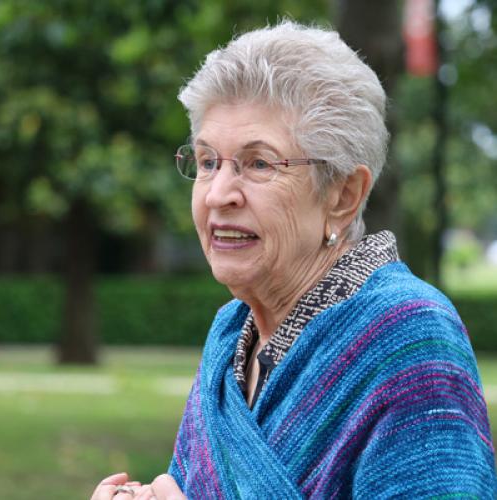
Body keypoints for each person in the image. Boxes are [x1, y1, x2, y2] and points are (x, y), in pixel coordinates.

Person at [91, 20, 497, 499]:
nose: (219, 194)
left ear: (344, 194)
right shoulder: (230, 337)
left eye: (260, 163)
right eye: (207, 162)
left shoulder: (408, 336)